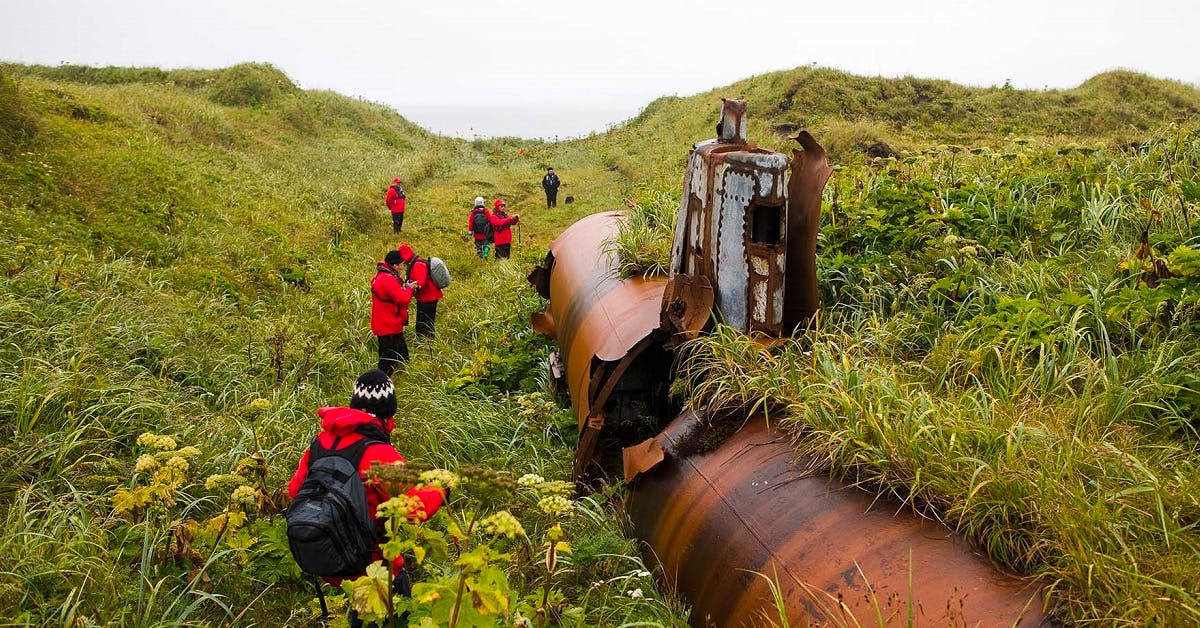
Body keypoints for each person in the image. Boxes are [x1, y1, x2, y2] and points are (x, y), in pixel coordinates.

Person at [288, 369, 446, 628]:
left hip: (333, 557)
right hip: (374, 569)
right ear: (388, 416)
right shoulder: (379, 453)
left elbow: (295, 491)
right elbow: (412, 508)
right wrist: (442, 489)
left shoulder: (320, 443)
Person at [371, 250, 416, 375]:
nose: (402, 267)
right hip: (388, 325)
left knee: (401, 354)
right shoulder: (388, 279)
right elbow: (403, 299)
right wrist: (410, 289)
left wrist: (404, 288)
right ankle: (380, 384)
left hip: (387, 323)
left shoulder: (381, 276)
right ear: (395, 265)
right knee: (387, 359)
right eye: (401, 264)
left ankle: (403, 375)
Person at [397, 242, 443, 337]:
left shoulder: (418, 264)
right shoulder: (413, 262)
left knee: (425, 322)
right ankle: (424, 340)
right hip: (424, 297)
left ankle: (427, 342)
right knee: (423, 321)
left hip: (429, 297)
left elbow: (420, 284)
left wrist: (407, 292)